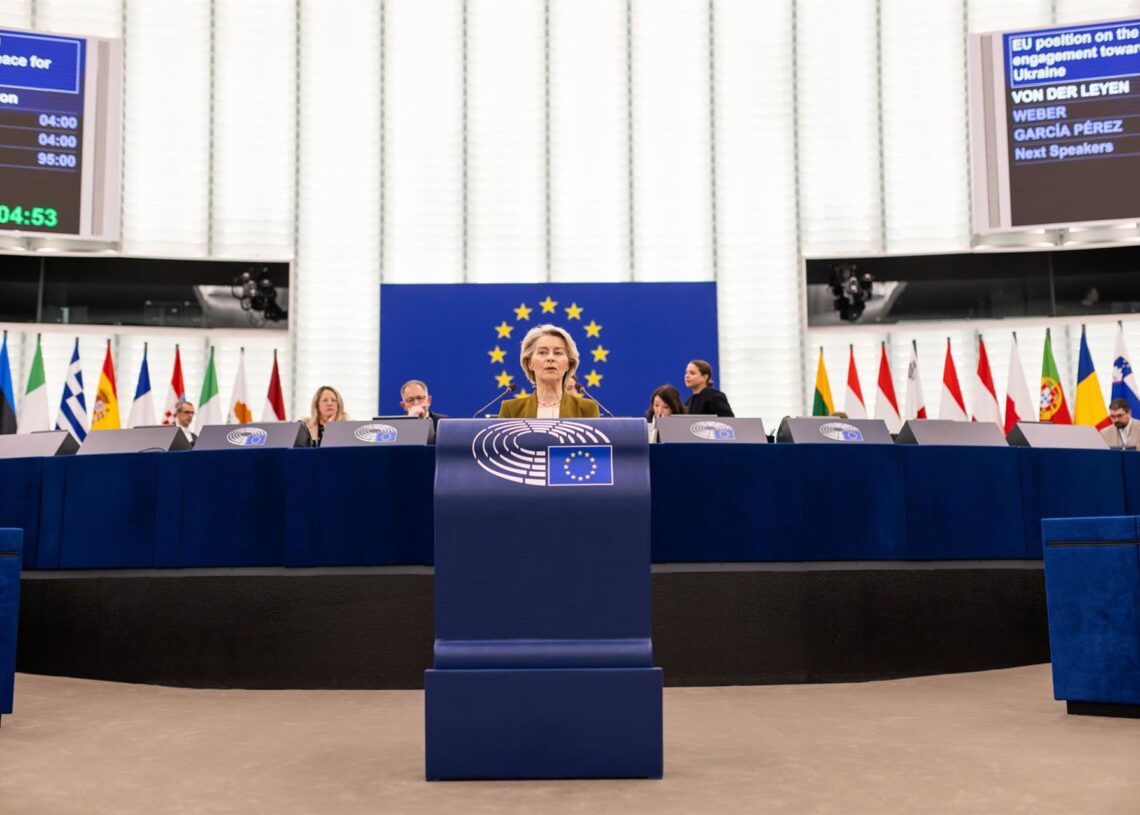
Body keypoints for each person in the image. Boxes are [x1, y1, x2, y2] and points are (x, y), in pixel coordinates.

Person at [499, 324, 600, 419]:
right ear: (530, 363)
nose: (550, 358)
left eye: (558, 353)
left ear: (568, 364)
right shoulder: (511, 410)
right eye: (542, 352)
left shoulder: (587, 409)